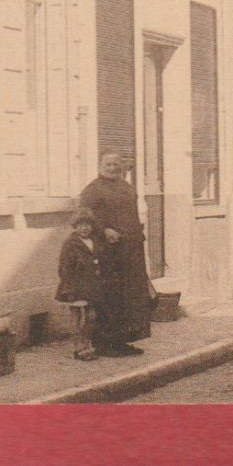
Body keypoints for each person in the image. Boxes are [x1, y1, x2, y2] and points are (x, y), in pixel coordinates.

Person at [78, 152, 152, 356]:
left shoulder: (126, 187)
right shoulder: (92, 190)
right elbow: (84, 218)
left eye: (116, 164)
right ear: (100, 166)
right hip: (108, 252)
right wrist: (103, 230)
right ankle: (105, 343)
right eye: (108, 164)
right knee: (111, 296)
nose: (112, 168)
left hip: (130, 250)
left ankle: (123, 341)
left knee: (130, 296)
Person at [56, 210, 106, 361]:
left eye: (87, 225)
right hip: (76, 286)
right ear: (75, 227)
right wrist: (70, 289)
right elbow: (64, 268)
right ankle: (78, 348)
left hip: (92, 286)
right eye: (80, 225)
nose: (84, 228)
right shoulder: (71, 244)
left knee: (92, 316)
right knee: (76, 317)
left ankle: (86, 342)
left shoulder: (94, 241)